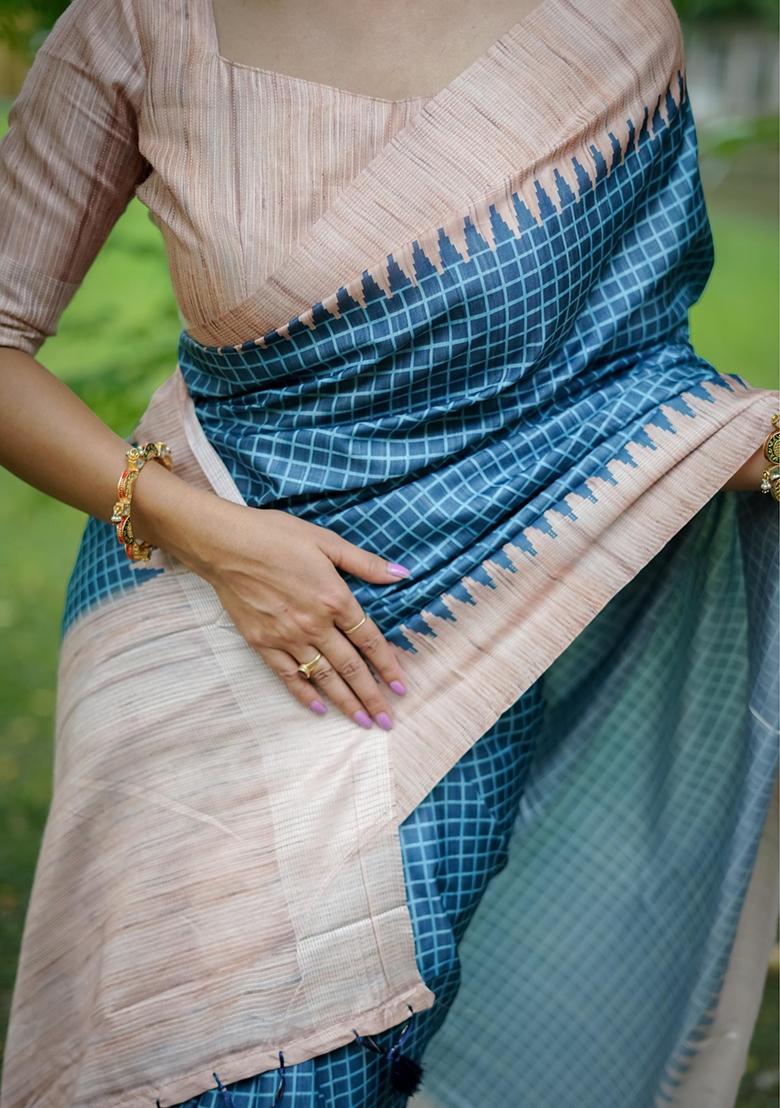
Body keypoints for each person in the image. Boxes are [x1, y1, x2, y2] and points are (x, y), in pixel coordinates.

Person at [0, 0, 778, 1105]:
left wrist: (741, 443)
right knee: (174, 1057)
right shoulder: (139, 23)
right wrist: (220, 544)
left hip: (448, 655)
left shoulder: (601, 29)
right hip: (185, 618)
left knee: (339, 1066)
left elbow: (617, 379)